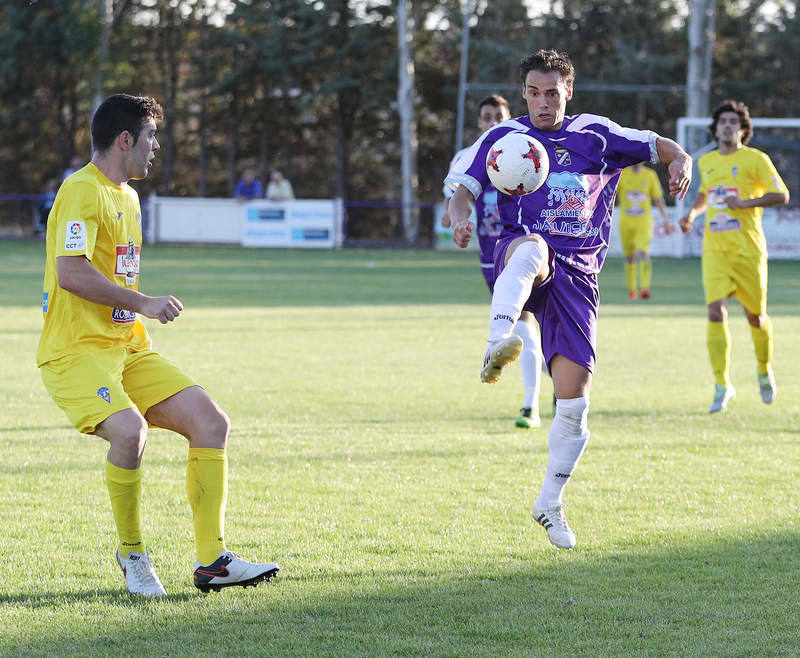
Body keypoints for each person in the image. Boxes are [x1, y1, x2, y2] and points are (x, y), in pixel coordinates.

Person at [445, 50, 691, 550]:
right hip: (523, 253)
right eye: (533, 92)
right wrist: (459, 215)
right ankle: (498, 338)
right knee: (532, 248)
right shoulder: (504, 139)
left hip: (579, 275)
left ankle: (549, 502)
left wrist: (682, 159)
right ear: (524, 93)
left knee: (575, 405)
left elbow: (660, 146)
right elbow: (462, 187)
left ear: (568, 92)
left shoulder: (596, 134)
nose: (542, 102)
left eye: (551, 93)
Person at [37, 93, 279, 597]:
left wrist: (135, 313)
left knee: (211, 422)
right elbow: (70, 272)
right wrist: (143, 301)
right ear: (125, 139)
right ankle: (132, 555)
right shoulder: (81, 190)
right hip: (75, 351)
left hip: (126, 349)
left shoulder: (127, 196)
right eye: (151, 137)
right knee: (130, 434)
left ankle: (213, 561)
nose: (156, 147)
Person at [678, 99, 789, 413]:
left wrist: (746, 204)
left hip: (748, 251)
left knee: (756, 317)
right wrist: (693, 214)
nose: (727, 126)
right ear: (715, 129)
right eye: (723, 121)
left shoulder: (756, 160)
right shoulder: (707, 162)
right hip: (715, 250)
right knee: (716, 312)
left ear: (742, 129)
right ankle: (722, 384)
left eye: (733, 122)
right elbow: (705, 195)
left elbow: (781, 195)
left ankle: (764, 370)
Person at [442, 94, 544, 428]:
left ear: (508, 117)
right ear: (479, 122)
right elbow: (450, 211)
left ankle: (531, 405)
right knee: (525, 325)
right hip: (489, 255)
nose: (492, 123)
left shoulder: (523, 150)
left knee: (525, 320)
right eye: (486, 117)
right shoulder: (467, 157)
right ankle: (552, 372)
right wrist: (457, 221)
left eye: (498, 116)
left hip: (523, 247)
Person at [615, 163, 672, 299]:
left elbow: (658, 198)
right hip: (626, 221)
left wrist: (666, 220)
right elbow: (611, 196)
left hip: (644, 221)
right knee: (630, 257)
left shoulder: (650, 175)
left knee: (644, 252)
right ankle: (632, 289)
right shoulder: (622, 173)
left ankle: (645, 288)